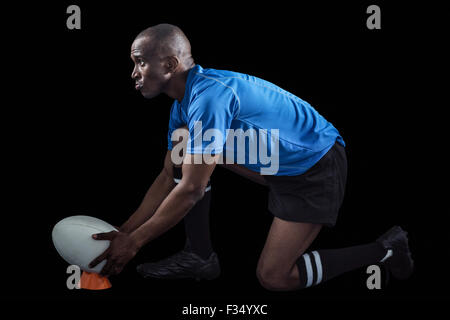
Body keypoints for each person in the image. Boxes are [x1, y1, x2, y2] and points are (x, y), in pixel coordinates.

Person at [88, 23, 413, 291]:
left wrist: (136, 243)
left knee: (274, 277)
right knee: (181, 158)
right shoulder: (182, 107)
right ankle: (201, 257)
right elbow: (166, 177)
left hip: (315, 166)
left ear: (170, 65)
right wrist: (124, 232)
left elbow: (191, 190)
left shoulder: (210, 98)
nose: (134, 72)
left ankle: (385, 249)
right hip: (277, 161)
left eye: (140, 61)